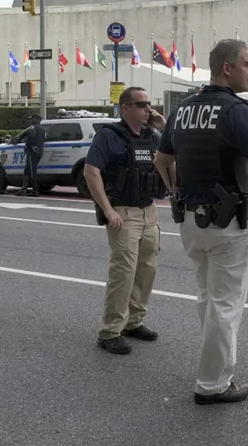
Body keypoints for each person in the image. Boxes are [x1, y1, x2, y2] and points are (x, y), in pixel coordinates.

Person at [152, 38, 248, 405]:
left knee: (208, 298)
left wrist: (175, 190)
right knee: (226, 304)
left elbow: (162, 161)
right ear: (227, 67)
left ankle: (218, 366)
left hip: (191, 221)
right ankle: (212, 384)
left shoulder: (183, 109)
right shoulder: (235, 111)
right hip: (228, 224)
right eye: (247, 64)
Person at [83, 87, 167, 355]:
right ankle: (110, 331)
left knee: (147, 269)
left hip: (148, 210)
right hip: (123, 212)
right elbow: (91, 172)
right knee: (124, 272)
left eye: (149, 104)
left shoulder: (152, 136)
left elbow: (170, 161)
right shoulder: (109, 136)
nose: (147, 110)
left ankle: (134, 321)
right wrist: (108, 210)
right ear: (125, 108)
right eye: (141, 104)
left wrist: (164, 126)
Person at [12, 114, 47, 197]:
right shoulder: (43, 129)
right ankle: (24, 189)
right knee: (27, 171)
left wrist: (27, 147)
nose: (31, 121)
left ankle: (35, 191)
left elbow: (30, 139)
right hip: (39, 151)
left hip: (32, 152)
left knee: (32, 171)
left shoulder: (32, 128)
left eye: (32, 119)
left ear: (36, 119)